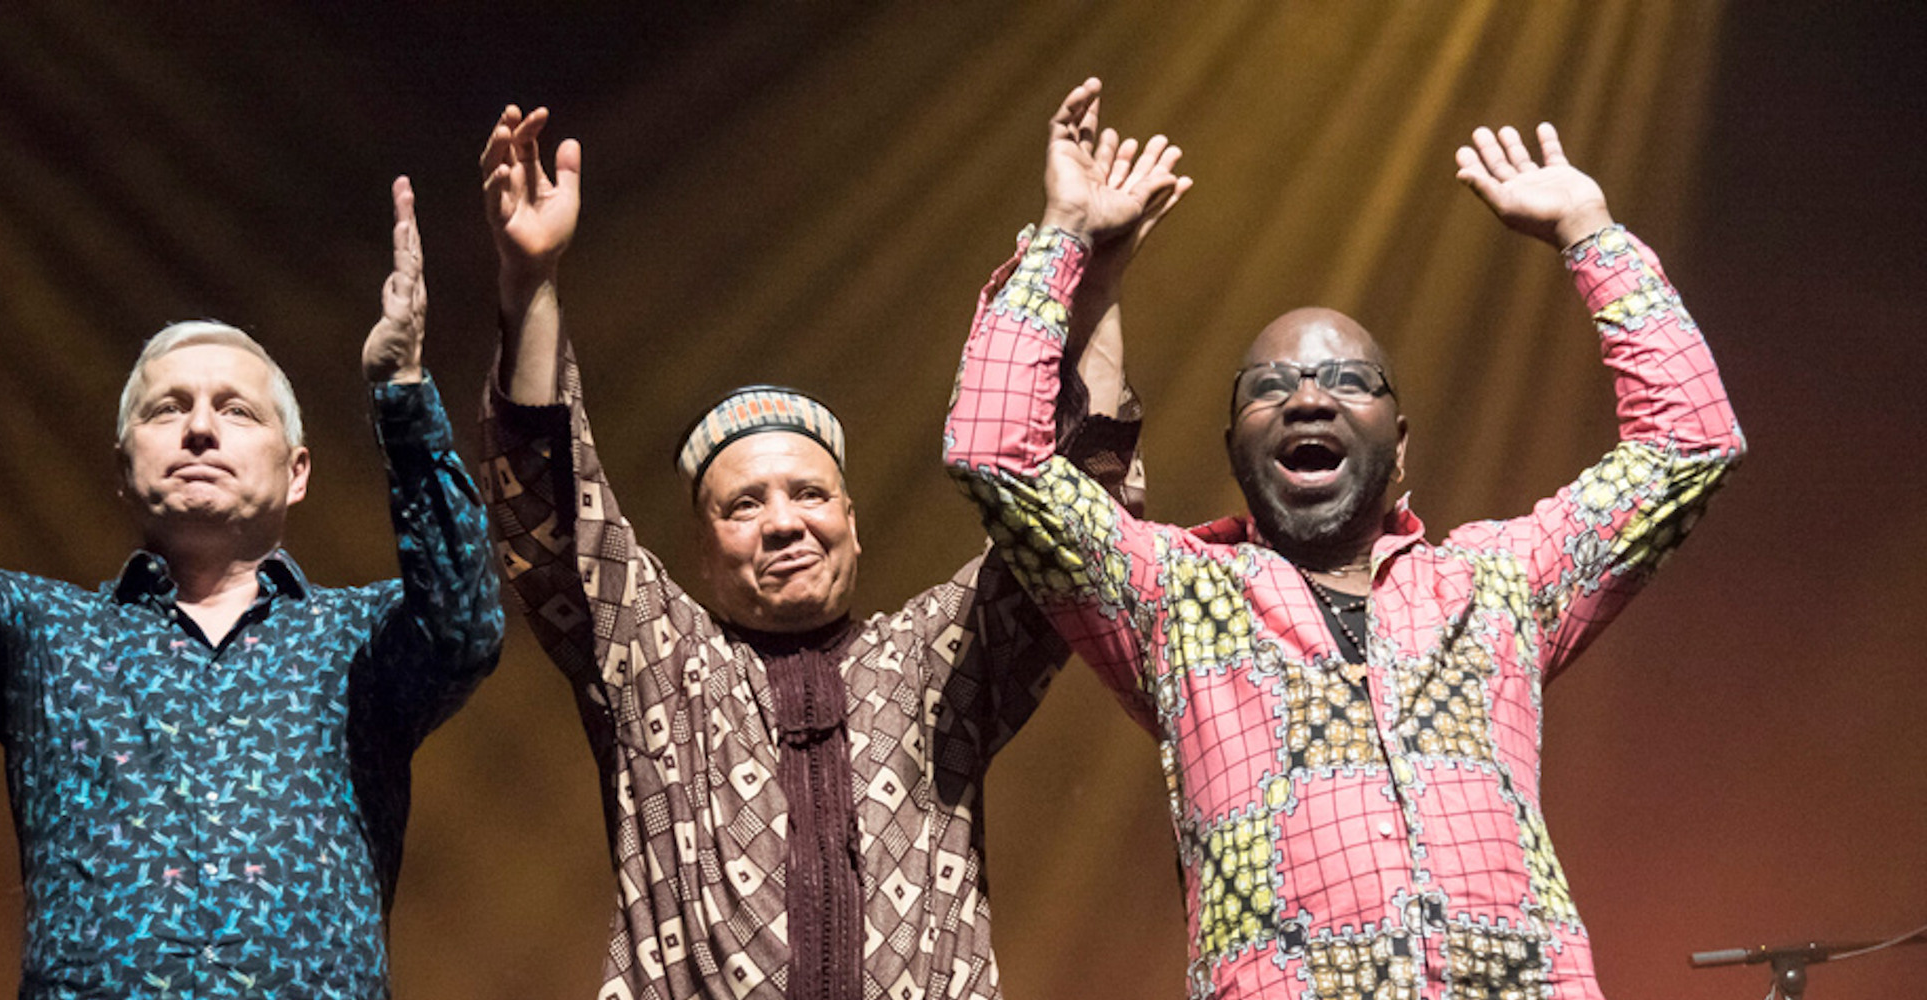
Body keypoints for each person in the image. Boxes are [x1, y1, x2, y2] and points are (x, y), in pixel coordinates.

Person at [945, 91, 1744, 999]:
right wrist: (1065, 237)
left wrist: (1588, 231)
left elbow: (1689, 447)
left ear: (1400, 445)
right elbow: (991, 451)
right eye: (1270, 387)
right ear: (1234, 450)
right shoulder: (1172, 598)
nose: (1309, 400)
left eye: (1348, 381)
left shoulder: (1498, 586)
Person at [474, 88, 1167, 1000]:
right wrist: (531, 288)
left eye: (808, 494)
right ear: (702, 544)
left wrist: (1093, 271)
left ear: (851, 517)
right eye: (745, 506)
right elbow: (554, 517)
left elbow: (1077, 520)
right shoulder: (659, 659)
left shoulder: (932, 662)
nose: (785, 521)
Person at [0, 100, 505, 998]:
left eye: (236, 410)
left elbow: (465, 624)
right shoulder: (46, 636)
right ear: (122, 469)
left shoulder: (362, 641)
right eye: (165, 408)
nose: (197, 429)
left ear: (298, 472)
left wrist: (403, 391)